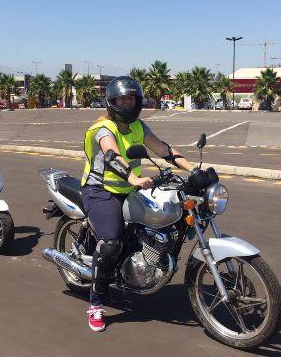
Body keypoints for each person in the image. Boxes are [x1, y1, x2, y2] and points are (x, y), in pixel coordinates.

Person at [80, 76, 195, 332]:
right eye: (122, 99)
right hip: (101, 190)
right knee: (110, 243)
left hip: (131, 187)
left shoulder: (139, 126)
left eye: (131, 98)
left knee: (160, 220)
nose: (127, 103)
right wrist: (133, 176)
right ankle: (97, 302)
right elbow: (112, 155)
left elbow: (163, 150)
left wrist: (195, 169)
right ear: (112, 102)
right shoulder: (103, 128)